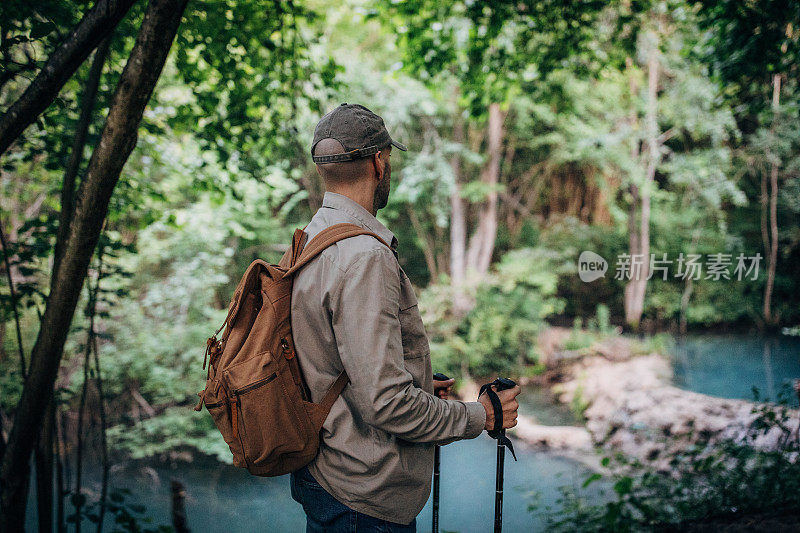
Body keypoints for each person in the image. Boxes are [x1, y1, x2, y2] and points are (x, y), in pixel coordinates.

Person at [289, 103, 521, 532]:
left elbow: (329, 359)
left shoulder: (312, 239)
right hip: (364, 501)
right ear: (379, 163)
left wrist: (414, 380)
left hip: (326, 479)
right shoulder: (364, 257)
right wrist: (481, 416)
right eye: (389, 160)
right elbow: (388, 405)